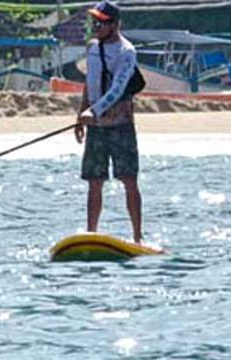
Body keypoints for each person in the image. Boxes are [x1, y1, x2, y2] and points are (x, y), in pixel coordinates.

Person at [76, 1, 145, 244]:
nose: (95, 26)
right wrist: (80, 115)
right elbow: (89, 84)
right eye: (94, 21)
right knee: (94, 182)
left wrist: (94, 110)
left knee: (128, 179)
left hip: (120, 124)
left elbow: (118, 88)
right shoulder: (92, 48)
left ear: (114, 25)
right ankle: (91, 234)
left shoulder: (127, 52)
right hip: (95, 126)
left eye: (101, 22)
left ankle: (137, 237)